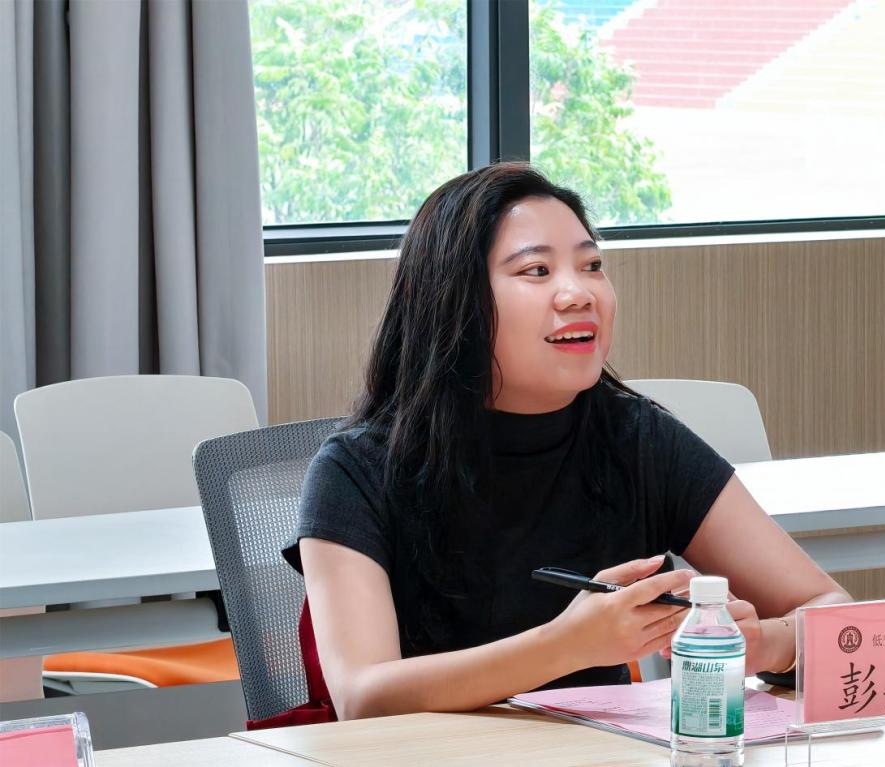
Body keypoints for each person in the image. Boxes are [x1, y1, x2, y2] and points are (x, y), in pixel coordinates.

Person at [283, 162, 851, 721]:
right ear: (453, 301)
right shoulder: (356, 469)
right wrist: (568, 645)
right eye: (536, 271)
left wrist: (764, 643)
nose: (578, 293)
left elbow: (833, 612)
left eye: (592, 265)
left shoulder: (638, 439)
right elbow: (363, 695)